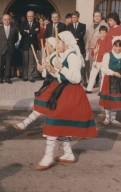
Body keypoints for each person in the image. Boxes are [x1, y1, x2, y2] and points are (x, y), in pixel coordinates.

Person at [35, 31, 97, 170]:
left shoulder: (73, 57)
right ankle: (68, 154)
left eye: (59, 42)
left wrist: (61, 68)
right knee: (58, 124)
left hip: (72, 93)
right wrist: (54, 70)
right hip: (64, 92)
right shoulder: (65, 56)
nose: (56, 45)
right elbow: (61, 77)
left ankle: (48, 157)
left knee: (53, 120)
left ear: (65, 43)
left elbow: (76, 79)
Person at [13, 37, 60, 130]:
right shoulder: (49, 57)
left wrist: (49, 70)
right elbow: (46, 74)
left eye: (48, 46)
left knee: (42, 103)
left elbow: (57, 73)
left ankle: (26, 123)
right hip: (50, 83)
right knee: (45, 104)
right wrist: (42, 69)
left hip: (55, 85)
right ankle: (27, 123)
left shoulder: (56, 58)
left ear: (53, 47)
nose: (46, 47)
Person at [99, 37, 121, 125]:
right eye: (116, 46)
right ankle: (107, 117)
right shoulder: (108, 55)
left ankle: (113, 118)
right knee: (108, 99)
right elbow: (103, 68)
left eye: (120, 46)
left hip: (120, 80)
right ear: (113, 45)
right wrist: (113, 73)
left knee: (116, 99)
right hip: (109, 79)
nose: (118, 48)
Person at [85, 11, 109, 80]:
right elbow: (88, 37)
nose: (97, 17)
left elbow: (107, 38)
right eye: (95, 16)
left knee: (100, 66)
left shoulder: (105, 25)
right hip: (91, 48)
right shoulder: (91, 25)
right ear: (93, 17)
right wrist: (87, 48)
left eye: (98, 16)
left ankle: (100, 82)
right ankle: (93, 81)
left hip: (101, 49)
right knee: (92, 65)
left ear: (101, 17)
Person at [0, 14, 19, 84]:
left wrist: (10, 44)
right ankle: (0, 78)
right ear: (2, 20)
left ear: (10, 20)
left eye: (8, 19)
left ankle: (7, 78)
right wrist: (2, 44)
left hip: (10, 49)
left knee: (8, 64)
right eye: (5, 19)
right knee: (1, 64)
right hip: (1, 49)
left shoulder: (14, 29)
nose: (6, 21)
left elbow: (16, 39)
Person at [86, 25, 108, 94]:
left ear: (106, 33)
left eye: (104, 33)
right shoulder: (98, 40)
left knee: (103, 76)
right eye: (101, 33)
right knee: (92, 75)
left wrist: (105, 54)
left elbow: (109, 51)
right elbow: (94, 50)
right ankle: (89, 89)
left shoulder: (108, 41)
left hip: (104, 61)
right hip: (97, 60)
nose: (102, 35)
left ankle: (101, 90)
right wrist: (94, 51)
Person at [19, 10, 40, 83]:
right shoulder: (23, 23)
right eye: (28, 16)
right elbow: (22, 32)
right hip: (25, 44)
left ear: (34, 16)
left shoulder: (37, 23)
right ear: (26, 16)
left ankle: (31, 76)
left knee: (32, 61)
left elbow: (37, 32)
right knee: (25, 61)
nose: (30, 17)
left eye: (31, 16)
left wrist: (27, 32)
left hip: (33, 45)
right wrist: (31, 33)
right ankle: (25, 76)